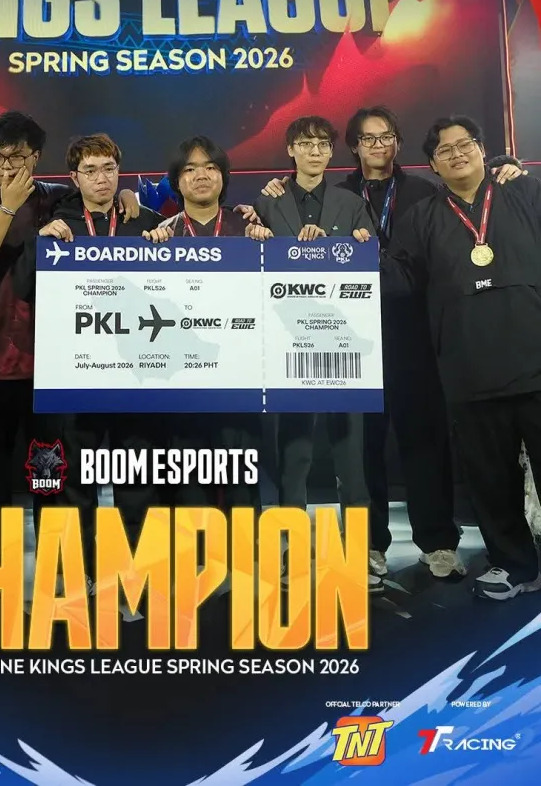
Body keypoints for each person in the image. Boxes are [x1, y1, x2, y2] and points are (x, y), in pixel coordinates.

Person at [260, 108, 525, 581]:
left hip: (413, 331)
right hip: (347, 337)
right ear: (354, 147)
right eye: (367, 138)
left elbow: (474, 198)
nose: (377, 145)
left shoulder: (426, 191)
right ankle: (370, 544)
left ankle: (438, 541)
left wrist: (506, 165)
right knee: (361, 447)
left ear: (399, 142)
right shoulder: (339, 194)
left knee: (423, 438)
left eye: (386, 136)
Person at [381, 116, 541, 601]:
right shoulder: (422, 217)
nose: (457, 154)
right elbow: (399, 280)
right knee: (491, 480)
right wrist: (351, 253)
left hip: (535, 360)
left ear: (482, 149)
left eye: (464, 144)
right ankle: (515, 566)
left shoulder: (525, 193)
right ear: (432, 165)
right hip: (469, 370)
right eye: (444, 150)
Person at [0, 112, 140, 516]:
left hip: (51, 368)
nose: (6, 167)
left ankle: (57, 553)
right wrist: (8, 208)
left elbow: (99, 199)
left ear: (35, 157)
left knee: (50, 479)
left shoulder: (57, 199)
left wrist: (128, 196)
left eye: (16, 158)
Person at [14, 134, 164, 584]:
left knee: (137, 480)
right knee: (75, 481)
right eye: (91, 171)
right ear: (74, 178)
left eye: (109, 169)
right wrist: (39, 244)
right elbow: (22, 289)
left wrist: (164, 247)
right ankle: (81, 573)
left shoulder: (146, 222)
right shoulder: (55, 224)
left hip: (137, 377)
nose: (102, 178)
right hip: (75, 376)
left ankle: (136, 571)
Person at [249, 116, 381, 592]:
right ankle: (290, 550)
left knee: (351, 460)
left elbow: (374, 264)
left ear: (330, 152)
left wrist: (359, 245)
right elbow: (250, 265)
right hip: (290, 349)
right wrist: (255, 236)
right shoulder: (267, 202)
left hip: (344, 347)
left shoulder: (351, 202)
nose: (314, 151)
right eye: (305, 144)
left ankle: (360, 551)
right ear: (291, 150)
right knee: (295, 457)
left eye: (322, 144)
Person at [145, 135, 263, 512]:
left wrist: (266, 246)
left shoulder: (249, 228)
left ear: (223, 177)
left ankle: (242, 539)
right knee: (187, 478)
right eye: (190, 169)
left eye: (210, 168)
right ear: (176, 182)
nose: (201, 176)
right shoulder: (161, 235)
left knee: (240, 475)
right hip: (181, 380)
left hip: (239, 377)